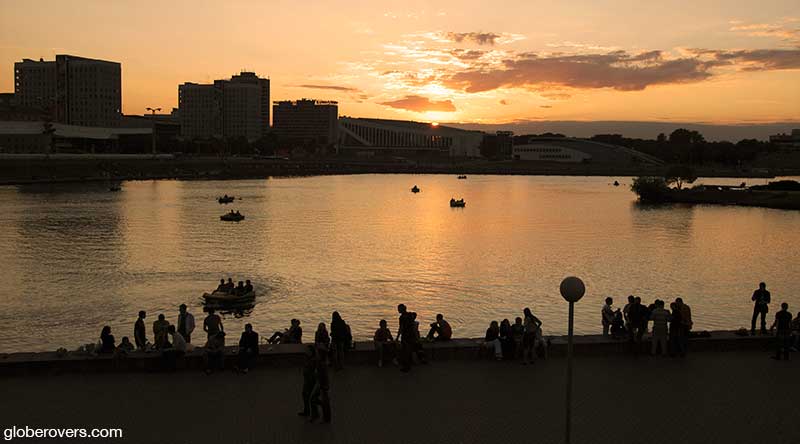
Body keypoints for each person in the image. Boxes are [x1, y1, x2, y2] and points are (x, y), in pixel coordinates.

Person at [309, 348, 331, 423]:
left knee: (314, 399)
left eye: (317, 353)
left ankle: (322, 416)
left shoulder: (322, 364)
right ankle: (321, 415)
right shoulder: (321, 363)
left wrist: (323, 386)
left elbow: (323, 376)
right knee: (318, 399)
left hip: (321, 385)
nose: (316, 355)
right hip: (321, 384)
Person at [298, 345, 318, 418]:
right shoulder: (308, 359)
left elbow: (315, 370)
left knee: (309, 396)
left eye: (308, 350)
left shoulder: (314, 360)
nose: (306, 352)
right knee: (305, 395)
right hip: (307, 379)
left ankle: (312, 412)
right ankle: (307, 410)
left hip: (311, 380)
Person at [396, 304, 415, 372]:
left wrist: (397, 337)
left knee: (405, 351)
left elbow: (401, 328)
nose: (398, 310)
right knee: (409, 350)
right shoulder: (410, 315)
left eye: (399, 309)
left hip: (405, 335)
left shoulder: (402, 317)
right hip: (411, 334)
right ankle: (408, 364)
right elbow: (413, 325)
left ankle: (406, 366)